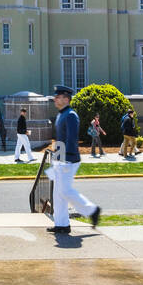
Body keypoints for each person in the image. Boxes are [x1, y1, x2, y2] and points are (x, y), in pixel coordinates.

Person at [49, 84, 101, 234]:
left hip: (69, 159)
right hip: (61, 159)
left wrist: (64, 160)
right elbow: (60, 139)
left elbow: (71, 139)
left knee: (65, 191)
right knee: (58, 194)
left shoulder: (71, 115)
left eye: (58, 97)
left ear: (66, 99)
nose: (55, 99)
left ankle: (92, 210)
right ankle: (62, 224)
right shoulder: (61, 115)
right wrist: (56, 159)